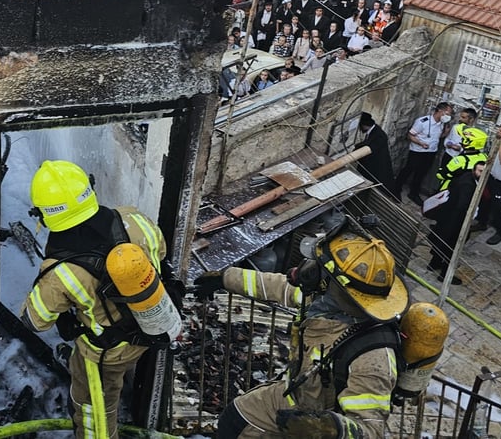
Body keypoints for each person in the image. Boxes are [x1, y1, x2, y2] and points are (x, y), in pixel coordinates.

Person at [193, 225, 408, 439]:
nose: (308, 269)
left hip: (315, 422)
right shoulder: (325, 302)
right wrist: (225, 278)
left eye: (319, 267)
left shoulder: (373, 359)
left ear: (333, 284)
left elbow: (370, 430)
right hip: (294, 395)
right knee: (234, 419)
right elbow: (276, 286)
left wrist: (327, 428)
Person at [21, 160, 176, 439]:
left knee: (94, 413)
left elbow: (36, 320)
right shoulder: (134, 219)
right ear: (90, 190)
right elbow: (161, 254)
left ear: (43, 216)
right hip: (152, 326)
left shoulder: (62, 272)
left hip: (107, 354)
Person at [428, 161, 487, 285]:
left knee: (442, 240)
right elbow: (462, 206)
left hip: (448, 217)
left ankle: (433, 264)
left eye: (484, 171)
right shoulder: (468, 185)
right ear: (474, 170)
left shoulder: (467, 177)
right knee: (452, 248)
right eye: (480, 171)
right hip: (455, 221)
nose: (482, 174)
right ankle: (444, 275)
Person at [397, 102, 452, 204]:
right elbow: (410, 135)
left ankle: (413, 193)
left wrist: (446, 133)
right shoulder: (423, 122)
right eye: (447, 113)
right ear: (440, 111)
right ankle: (396, 188)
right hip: (417, 151)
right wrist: (420, 143)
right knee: (408, 170)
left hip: (431, 152)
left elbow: (436, 137)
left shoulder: (442, 124)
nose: (448, 117)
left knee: (421, 173)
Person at [355, 112, 396, 196]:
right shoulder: (375, 131)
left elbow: (370, 148)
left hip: (376, 167)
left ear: (363, 126)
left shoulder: (379, 136)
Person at [434, 127, 488, 191]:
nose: (461, 140)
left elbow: (441, 175)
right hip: (470, 191)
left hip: (450, 190)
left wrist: (441, 170)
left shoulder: (460, 160)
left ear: (469, 142)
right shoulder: (484, 157)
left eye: (463, 139)